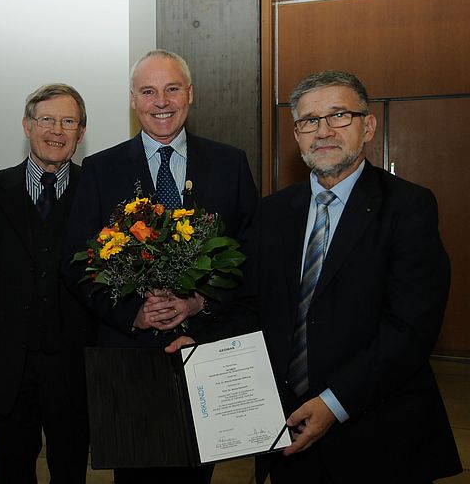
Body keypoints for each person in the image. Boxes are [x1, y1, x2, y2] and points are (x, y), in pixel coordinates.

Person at [172, 70, 462, 483]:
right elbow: (256, 304)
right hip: (288, 432)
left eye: (339, 115)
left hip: (379, 434)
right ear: (296, 134)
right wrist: (205, 343)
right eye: (309, 120)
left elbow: (411, 328)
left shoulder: (408, 207)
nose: (323, 131)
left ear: (368, 126)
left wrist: (334, 402)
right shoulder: (273, 212)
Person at [62, 49, 258, 484]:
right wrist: (133, 311)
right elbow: (74, 263)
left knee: (197, 475)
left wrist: (198, 303)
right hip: (128, 361)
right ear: (133, 100)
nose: (161, 101)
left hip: (206, 352)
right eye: (148, 91)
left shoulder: (231, 164)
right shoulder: (99, 169)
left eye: (172, 89)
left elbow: (252, 256)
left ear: (190, 94)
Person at [0, 83, 95, 483]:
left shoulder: (98, 192)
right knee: (12, 472)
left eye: (68, 121)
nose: (56, 130)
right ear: (27, 126)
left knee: (71, 472)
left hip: (75, 368)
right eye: (47, 119)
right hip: (8, 368)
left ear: (81, 133)